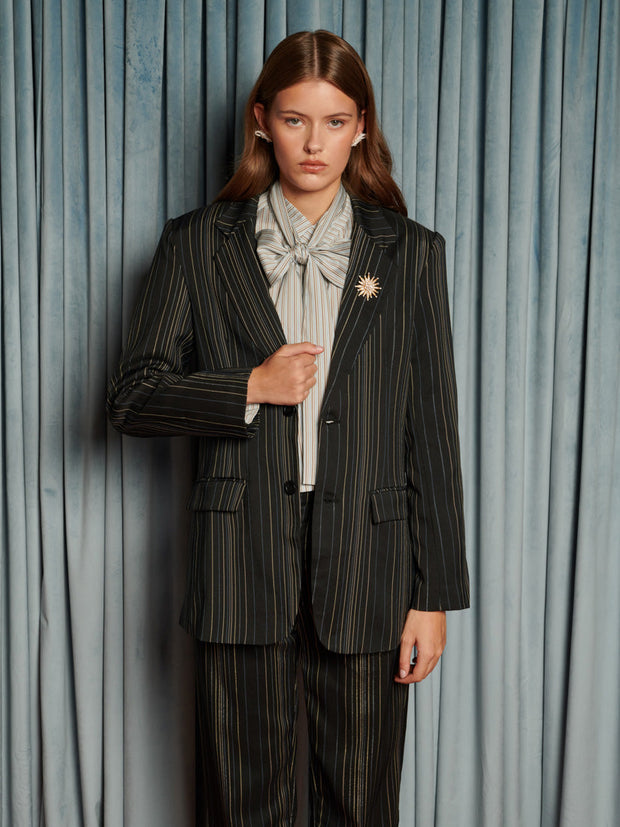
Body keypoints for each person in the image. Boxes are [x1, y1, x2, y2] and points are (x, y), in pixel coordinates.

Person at [108, 29, 469, 827]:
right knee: (241, 807)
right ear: (261, 120)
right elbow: (132, 398)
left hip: (372, 568)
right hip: (240, 562)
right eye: (296, 119)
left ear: (362, 127)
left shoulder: (411, 254)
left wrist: (434, 596)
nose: (314, 143)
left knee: (362, 804)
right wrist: (249, 386)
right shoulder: (196, 243)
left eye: (335, 122)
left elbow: (433, 432)